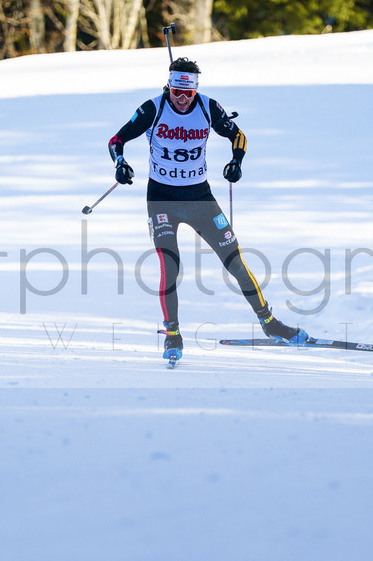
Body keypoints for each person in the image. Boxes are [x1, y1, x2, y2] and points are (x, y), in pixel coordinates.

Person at [107, 56, 307, 362]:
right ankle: (173, 335)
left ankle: (270, 324)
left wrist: (236, 162)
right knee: (170, 266)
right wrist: (120, 163)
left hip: (200, 198)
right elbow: (116, 140)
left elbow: (237, 135)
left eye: (189, 93)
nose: (183, 100)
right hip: (161, 200)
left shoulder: (207, 107)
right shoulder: (153, 108)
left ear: (196, 90)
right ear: (169, 87)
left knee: (235, 261)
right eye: (177, 93)